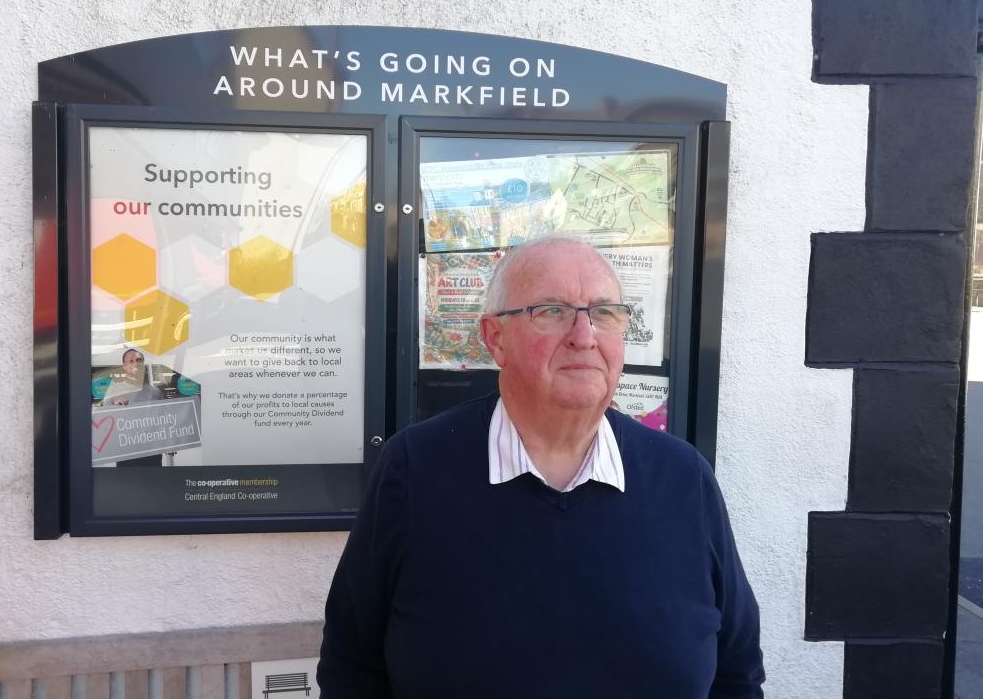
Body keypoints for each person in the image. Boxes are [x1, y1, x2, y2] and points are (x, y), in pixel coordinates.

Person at [318, 236, 764, 698]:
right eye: (552, 311)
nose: (584, 336)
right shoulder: (415, 470)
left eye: (605, 312)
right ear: (496, 338)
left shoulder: (682, 478)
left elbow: (736, 670)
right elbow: (353, 662)